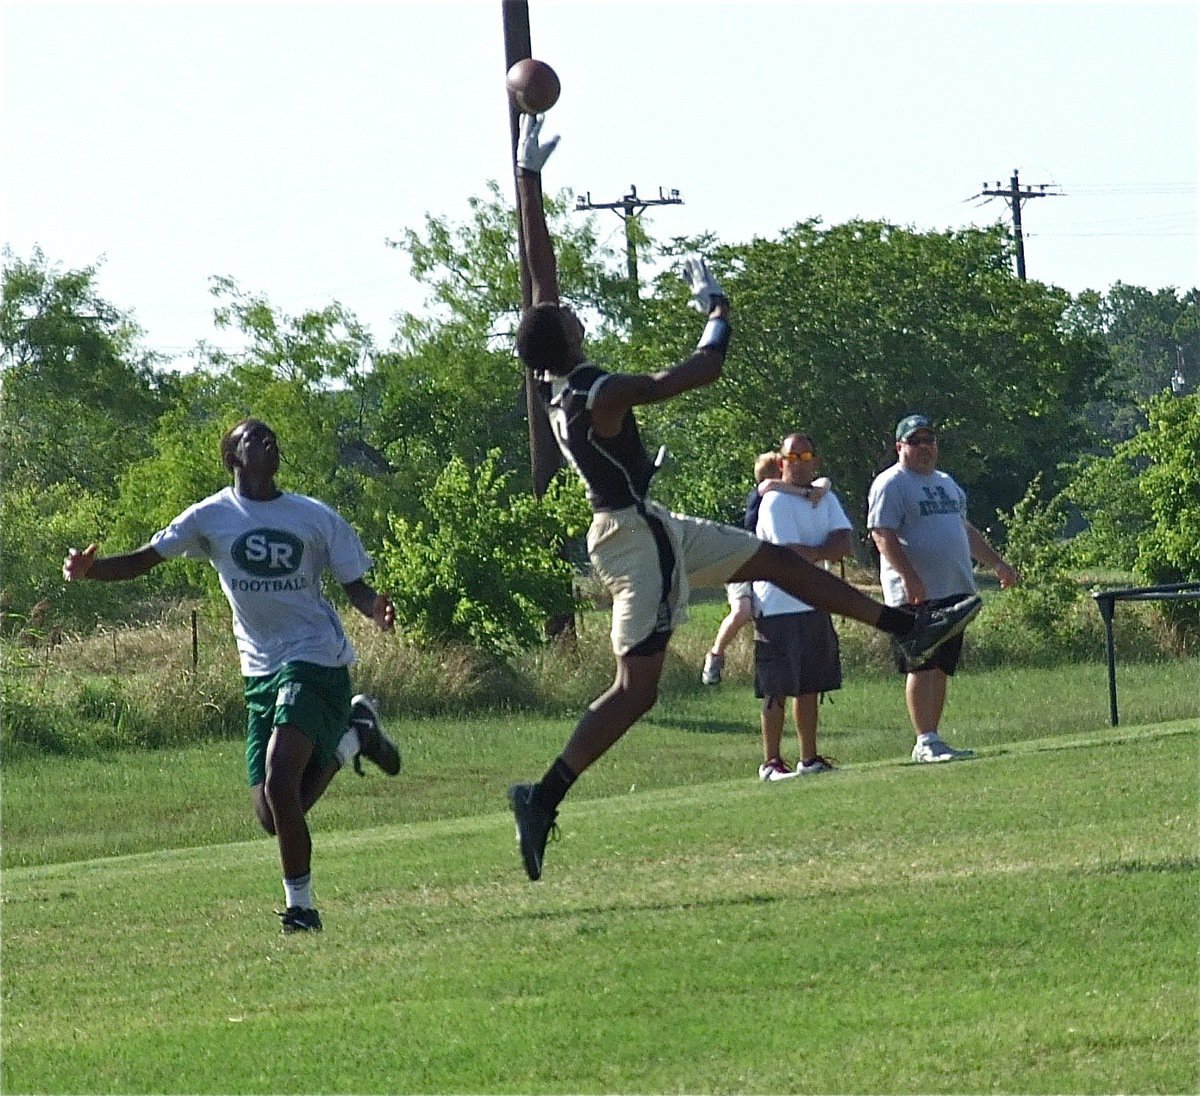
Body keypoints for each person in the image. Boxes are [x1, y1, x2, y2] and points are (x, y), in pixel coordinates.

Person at [505, 113, 981, 881]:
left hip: (647, 526)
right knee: (636, 690)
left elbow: (538, 279)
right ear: (566, 338)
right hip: (633, 543)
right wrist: (717, 309)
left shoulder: (554, 374)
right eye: (565, 316)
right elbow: (697, 374)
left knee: (777, 563)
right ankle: (545, 794)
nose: (567, 306)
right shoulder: (600, 392)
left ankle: (905, 627)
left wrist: (529, 180)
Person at [62, 418, 402, 933]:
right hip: (259, 671)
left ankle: (301, 910)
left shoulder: (313, 517)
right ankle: (353, 739)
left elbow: (355, 585)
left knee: (281, 777)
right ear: (232, 458)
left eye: (271, 437)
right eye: (252, 438)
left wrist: (374, 607)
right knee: (273, 813)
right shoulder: (212, 517)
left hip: (315, 659)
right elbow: (145, 560)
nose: (266, 441)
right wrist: (92, 570)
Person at [867, 414, 1019, 763]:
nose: (925, 447)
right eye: (916, 441)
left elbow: (963, 529)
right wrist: (908, 576)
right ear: (900, 446)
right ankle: (924, 739)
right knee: (920, 664)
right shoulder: (892, 483)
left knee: (941, 666)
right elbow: (881, 534)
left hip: (952, 590)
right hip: (914, 594)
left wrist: (996, 562)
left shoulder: (947, 483)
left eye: (929, 440)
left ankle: (934, 737)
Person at [753, 433, 852, 780]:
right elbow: (787, 552)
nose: (797, 463)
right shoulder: (775, 503)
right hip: (777, 605)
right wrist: (816, 553)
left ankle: (808, 758)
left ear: (815, 460)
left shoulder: (824, 498)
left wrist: (817, 554)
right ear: (781, 463)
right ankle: (771, 762)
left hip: (815, 601)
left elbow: (844, 541)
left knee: (810, 684)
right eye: (790, 458)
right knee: (776, 685)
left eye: (804, 455)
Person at [702, 451, 832, 685]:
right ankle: (716, 654)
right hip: (741, 560)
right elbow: (770, 485)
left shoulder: (787, 496)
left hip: (764, 565)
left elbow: (824, 482)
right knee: (742, 610)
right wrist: (807, 492)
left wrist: (819, 489)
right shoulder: (765, 492)